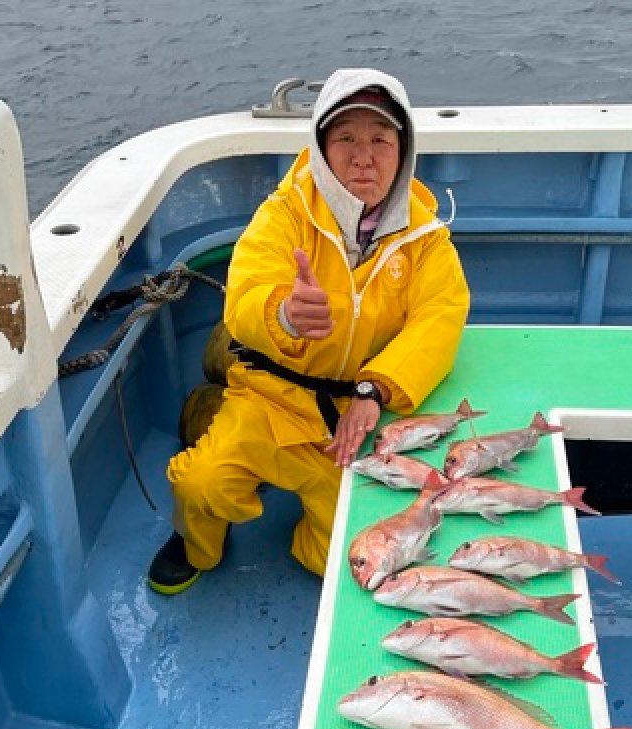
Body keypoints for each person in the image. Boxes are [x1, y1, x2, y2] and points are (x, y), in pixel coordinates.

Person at [148, 67, 470, 594]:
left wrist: (376, 387)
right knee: (200, 485)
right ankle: (198, 543)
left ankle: (297, 517)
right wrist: (284, 314)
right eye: (345, 137)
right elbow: (247, 293)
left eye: (379, 138)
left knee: (341, 560)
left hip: (349, 419)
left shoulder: (427, 237)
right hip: (269, 396)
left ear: (403, 149)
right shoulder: (284, 214)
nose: (363, 155)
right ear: (321, 146)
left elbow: (441, 316)